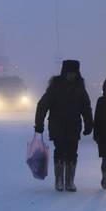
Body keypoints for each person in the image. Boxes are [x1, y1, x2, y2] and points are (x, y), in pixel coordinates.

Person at [34, 60, 93, 192]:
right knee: (60, 151)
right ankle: (59, 180)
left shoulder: (80, 89)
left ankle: (70, 181)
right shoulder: (55, 87)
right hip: (57, 125)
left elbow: (86, 108)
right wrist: (39, 123)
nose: (71, 75)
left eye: (73, 73)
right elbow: (42, 105)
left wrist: (89, 124)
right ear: (64, 73)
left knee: (72, 152)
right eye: (69, 73)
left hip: (73, 126)